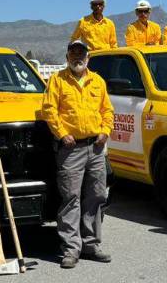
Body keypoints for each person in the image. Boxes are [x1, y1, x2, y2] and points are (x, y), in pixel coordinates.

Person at [42, 38, 114, 268]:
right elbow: (49, 111)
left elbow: (107, 110)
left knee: (96, 196)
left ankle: (91, 245)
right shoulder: (57, 81)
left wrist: (105, 131)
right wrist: (62, 134)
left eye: (81, 53)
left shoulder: (98, 81)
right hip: (71, 149)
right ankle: (71, 249)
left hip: (95, 147)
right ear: (67, 57)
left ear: (88, 57)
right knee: (70, 198)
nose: (77, 57)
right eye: (73, 53)